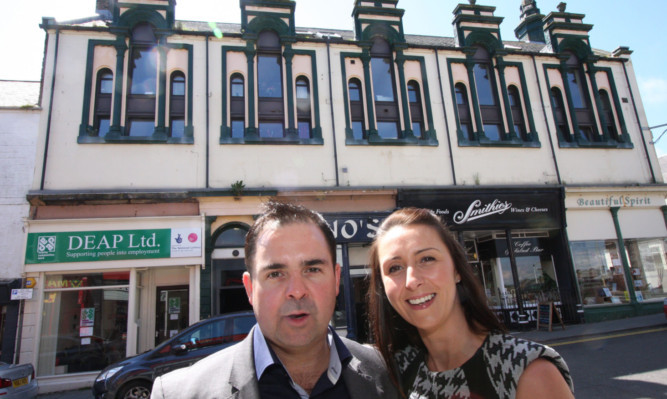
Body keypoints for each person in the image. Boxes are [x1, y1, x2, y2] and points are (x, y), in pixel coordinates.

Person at [152, 201, 399, 399]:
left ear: (336, 279)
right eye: (276, 274)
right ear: (249, 289)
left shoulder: (388, 373)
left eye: (312, 270)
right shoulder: (178, 392)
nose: (296, 291)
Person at [367, 207, 574, 399]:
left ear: (457, 269)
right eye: (394, 268)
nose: (412, 281)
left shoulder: (528, 372)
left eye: (427, 259)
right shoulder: (395, 373)